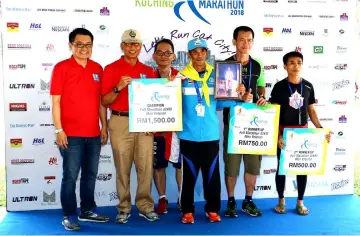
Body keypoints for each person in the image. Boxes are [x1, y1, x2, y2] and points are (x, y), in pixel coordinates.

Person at [50, 28, 110, 231]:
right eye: (79, 44)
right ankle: (69, 214)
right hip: (70, 135)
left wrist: (104, 126)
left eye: (88, 45)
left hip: (93, 133)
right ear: (71, 45)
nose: (84, 48)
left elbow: (102, 101)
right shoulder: (61, 68)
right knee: (70, 177)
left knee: (90, 175)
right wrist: (59, 129)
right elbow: (56, 101)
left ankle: (87, 210)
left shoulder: (97, 68)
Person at [178, 38, 240, 224]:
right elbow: (173, 104)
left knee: (212, 175)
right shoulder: (180, 77)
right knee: (188, 176)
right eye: (195, 52)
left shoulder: (217, 75)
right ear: (189, 55)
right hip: (188, 135)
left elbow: (221, 103)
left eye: (202, 51)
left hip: (211, 135)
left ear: (207, 53)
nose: (199, 55)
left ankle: (212, 209)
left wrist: (238, 95)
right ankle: (187, 210)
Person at [100, 29, 159, 223]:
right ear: (122, 46)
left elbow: (156, 101)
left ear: (140, 47)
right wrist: (118, 87)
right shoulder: (111, 69)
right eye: (128, 44)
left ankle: (145, 206)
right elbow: (105, 100)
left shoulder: (149, 71)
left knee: (145, 167)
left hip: (144, 122)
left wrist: (153, 123)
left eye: (135, 44)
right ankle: (124, 207)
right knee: (122, 167)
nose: (132, 47)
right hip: (120, 121)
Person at [269, 51, 332, 215]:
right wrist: (276, 136)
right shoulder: (279, 87)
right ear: (285, 66)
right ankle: (281, 200)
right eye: (291, 62)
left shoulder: (309, 86)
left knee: (302, 168)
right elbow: (273, 113)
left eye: (298, 62)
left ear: (302, 65)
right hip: (284, 133)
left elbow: (311, 111)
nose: (295, 65)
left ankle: (300, 202)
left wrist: (320, 129)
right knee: (282, 168)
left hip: (303, 133)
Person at [222, 26, 267, 218]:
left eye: (249, 40)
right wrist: (236, 94)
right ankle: (231, 201)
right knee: (231, 166)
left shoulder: (257, 65)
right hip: (232, 123)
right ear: (234, 41)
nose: (245, 43)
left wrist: (261, 97)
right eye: (241, 40)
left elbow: (261, 87)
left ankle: (248, 200)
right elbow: (220, 95)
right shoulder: (224, 65)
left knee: (252, 166)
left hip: (254, 124)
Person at [151, 38, 182, 214]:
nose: (164, 56)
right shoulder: (147, 79)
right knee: (158, 166)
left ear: (174, 56)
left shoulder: (182, 77)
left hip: (178, 131)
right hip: (156, 131)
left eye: (167, 53)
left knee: (180, 166)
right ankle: (162, 198)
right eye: (160, 53)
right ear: (154, 56)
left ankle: (181, 197)